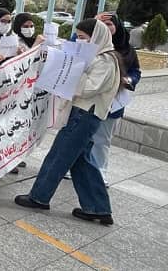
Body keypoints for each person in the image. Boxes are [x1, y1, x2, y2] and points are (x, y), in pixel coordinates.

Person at [15, 18, 122, 226]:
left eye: (83, 38)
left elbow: (90, 88)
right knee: (82, 162)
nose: (80, 42)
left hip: (85, 114)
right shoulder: (99, 57)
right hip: (83, 113)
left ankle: (39, 197)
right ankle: (98, 208)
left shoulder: (105, 60)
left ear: (96, 37)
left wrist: (74, 69)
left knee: (59, 155)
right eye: (78, 37)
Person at [90, 12, 141, 185]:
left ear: (117, 27)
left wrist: (130, 80)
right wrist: (94, 22)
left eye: (109, 24)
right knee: (79, 136)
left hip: (113, 102)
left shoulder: (127, 49)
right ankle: (73, 168)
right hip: (88, 99)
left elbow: (135, 71)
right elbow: (75, 47)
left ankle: (99, 172)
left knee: (102, 139)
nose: (106, 27)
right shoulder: (91, 43)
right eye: (102, 24)